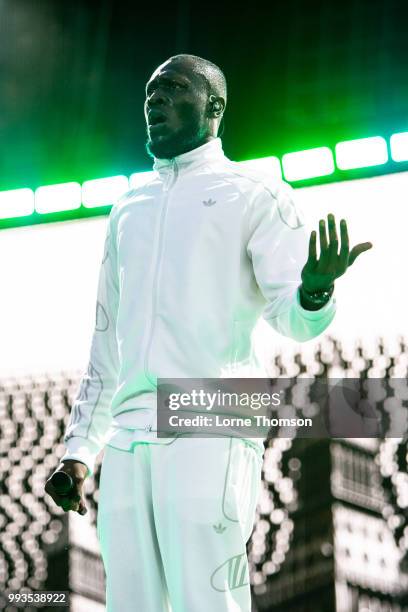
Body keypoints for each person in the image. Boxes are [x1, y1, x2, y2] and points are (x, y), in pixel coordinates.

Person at [45, 54, 372, 611]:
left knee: (206, 599)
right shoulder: (128, 209)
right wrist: (80, 449)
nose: (155, 101)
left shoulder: (255, 192)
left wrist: (314, 291)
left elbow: (292, 318)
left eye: (172, 89)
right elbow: (107, 346)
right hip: (127, 436)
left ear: (214, 107)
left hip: (211, 419)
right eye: (150, 93)